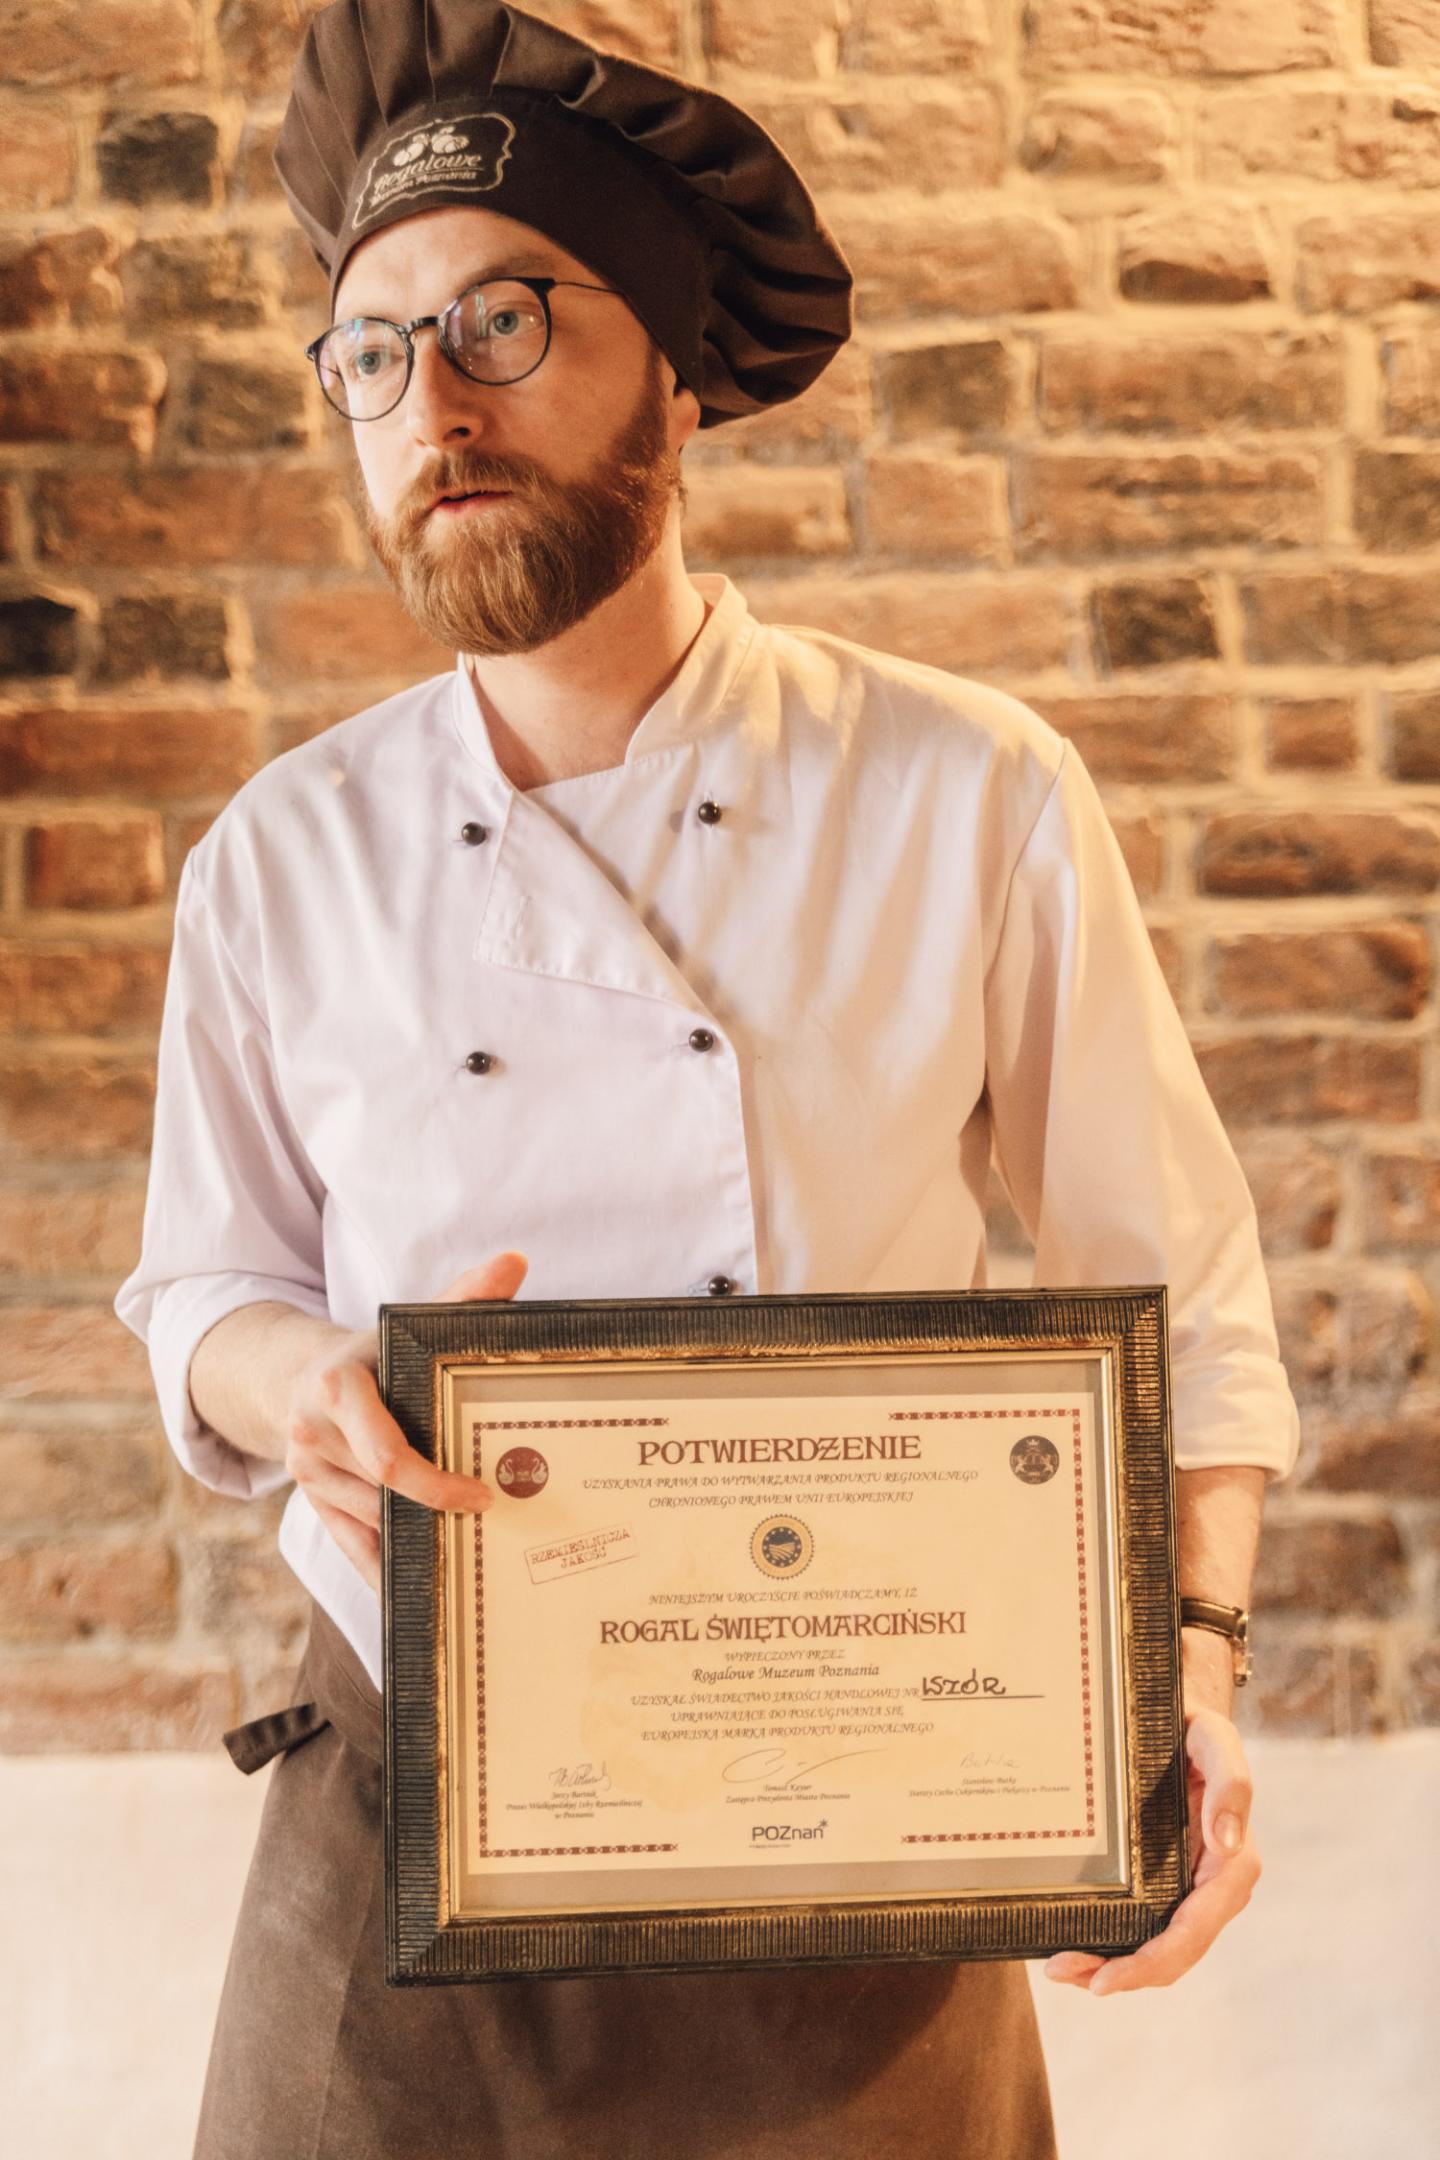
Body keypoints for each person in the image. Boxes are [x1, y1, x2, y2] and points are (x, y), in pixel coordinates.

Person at [113, 3, 1300, 2154]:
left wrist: (1196, 1671)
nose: (428, 405)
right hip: (410, 1806)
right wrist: (297, 1388)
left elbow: (1179, 1283)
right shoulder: (279, 856)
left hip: (870, 1818)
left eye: (499, 318)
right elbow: (198, 1291)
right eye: (367, 352)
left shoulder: (967, 794)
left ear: (670, 366)